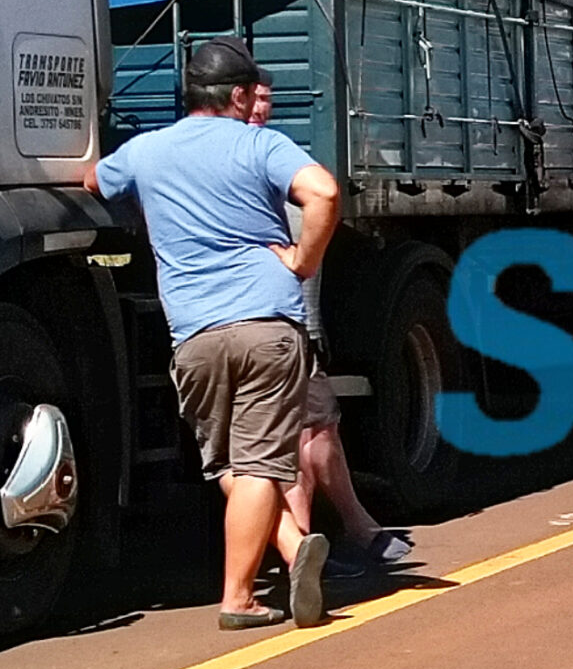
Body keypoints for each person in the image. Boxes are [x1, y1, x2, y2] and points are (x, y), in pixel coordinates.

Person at [87, 39, 335, 631]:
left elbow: (94, 181)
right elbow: (322, 191)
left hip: (194, 333)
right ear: (241, 95)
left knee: (226, 462)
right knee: (258, 465)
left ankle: (294, 548)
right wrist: (302, 259)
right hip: (266, 326)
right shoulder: (260, 143)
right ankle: (240, 597)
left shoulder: (147, 150)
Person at [241, 83, 414, 570]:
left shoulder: (280, 157)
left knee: (318, 428)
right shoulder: (237, 169)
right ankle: (314, 543)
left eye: (266, 100)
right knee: (299, 435)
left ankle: (336, 532)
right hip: (270, 326)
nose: (259, 109)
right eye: (250, 99)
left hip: (299, 323)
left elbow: (322, 204)